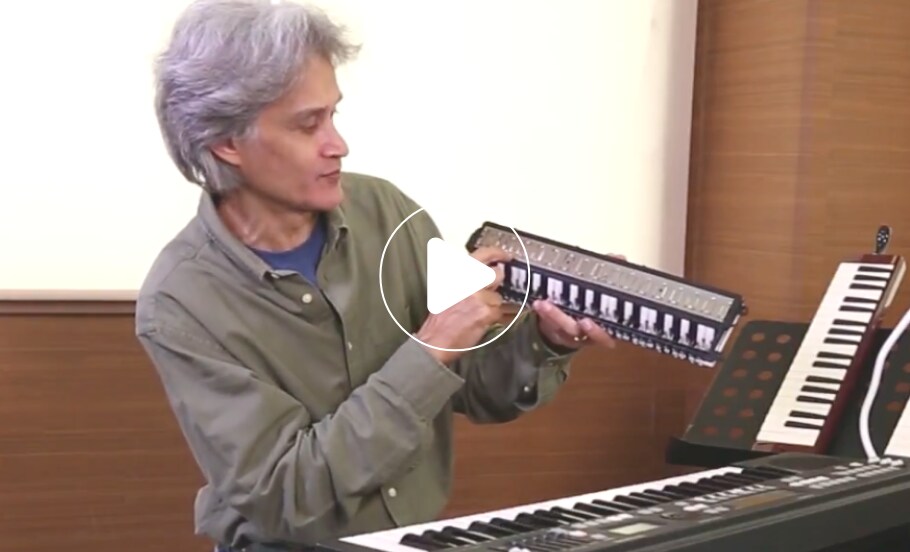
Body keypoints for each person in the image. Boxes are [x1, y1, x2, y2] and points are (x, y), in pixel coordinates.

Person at [135, 1, 616, 551]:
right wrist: (430, 349)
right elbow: (290, 494)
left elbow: (479, 386)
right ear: (227, 143)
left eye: (333, 115)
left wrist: (546, 340)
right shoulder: (180, 304)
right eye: (307, 124)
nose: (337, 144)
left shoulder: (388, 213)